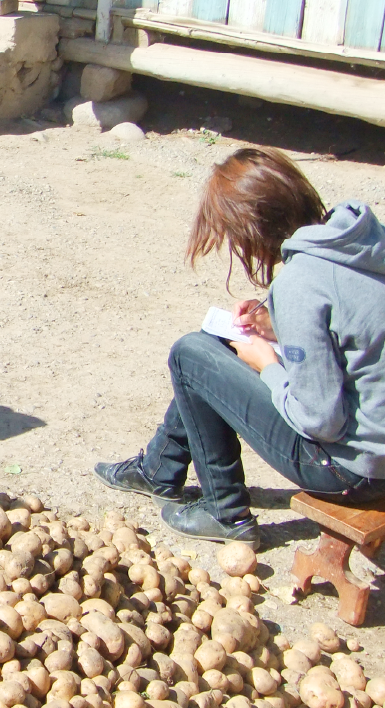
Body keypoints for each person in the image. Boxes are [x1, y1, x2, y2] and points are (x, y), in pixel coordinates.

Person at [94, 147, 385, 550]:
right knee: (215, 345)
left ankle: (225, 511)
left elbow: (321, 420)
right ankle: (159, 468)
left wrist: (268, 365)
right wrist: (278, 324)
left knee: (190, 353)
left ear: (253, 227)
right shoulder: (358, 241)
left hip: (352, 471)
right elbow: (353, 336)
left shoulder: (301, 282)